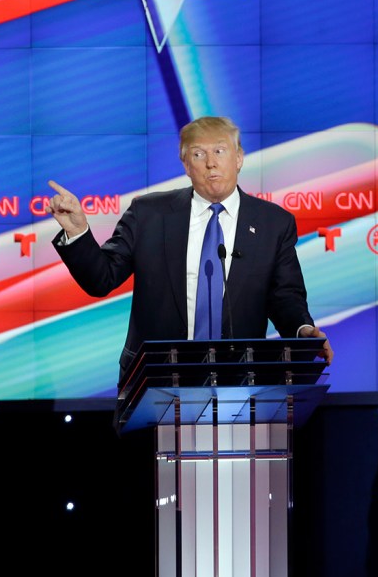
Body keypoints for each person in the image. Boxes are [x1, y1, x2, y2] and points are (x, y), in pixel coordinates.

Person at [48, 115, 333, 379]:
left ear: (239, 159)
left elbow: (285, 297)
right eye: (198, 154)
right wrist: (77, 231)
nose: (211, 163)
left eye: (220, 151)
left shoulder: (274, 223)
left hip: (240, 381)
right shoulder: (148, 214)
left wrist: (303, 331)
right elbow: (101, 279)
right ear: (186, 166)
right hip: (157, 379)